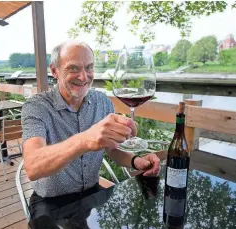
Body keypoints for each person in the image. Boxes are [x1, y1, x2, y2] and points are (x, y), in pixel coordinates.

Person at [21, 40, 160, 220]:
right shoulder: (37, 107)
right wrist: (85, 140)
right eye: (73, 68)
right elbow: (32, 166)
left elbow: (111, 149)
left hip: (93, 193)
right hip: (51, 202)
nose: (84, 76)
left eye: (89, 67)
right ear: (54, 71)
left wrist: (136, 161)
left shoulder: (102, 102)